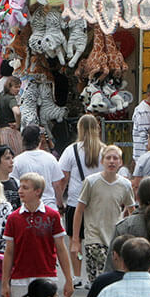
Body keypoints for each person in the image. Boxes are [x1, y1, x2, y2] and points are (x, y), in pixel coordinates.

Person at [1, 171, 73, 297]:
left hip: (46, 276)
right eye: (20, 187)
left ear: (37, 191)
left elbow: (61, 249)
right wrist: (5, 282)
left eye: (25, 188)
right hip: (20, 278)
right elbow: (9, 251)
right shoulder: (13, 218)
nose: (20, 190)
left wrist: (69, 279)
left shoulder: (52, 216)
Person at [57, 114, 104, 281]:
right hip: (99, 202)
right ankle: (96, 274)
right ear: (97, 129)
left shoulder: (72, 150)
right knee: (97, 240)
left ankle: (77, 276)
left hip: (76, 201)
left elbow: (63, 178)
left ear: (79, 129)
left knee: (75, 241)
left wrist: (58, 201)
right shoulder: (104, 150)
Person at [10, 126, 65, 210]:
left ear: (23, 141)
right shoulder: (50, 158)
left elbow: (14, 185)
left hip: (27, 208)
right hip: (49, 206)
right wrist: (60, 204)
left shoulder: (17, 161)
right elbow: (57, 184)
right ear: (39, 140)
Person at [0, 76, 23, 153]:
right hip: (11, 132)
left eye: (19, 87)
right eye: (16, 87)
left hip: (0, 132)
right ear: (9, 87)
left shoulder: (0, 96)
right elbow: (17, 112)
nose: (18, 89)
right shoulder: (11, 99)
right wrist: (18, 124)